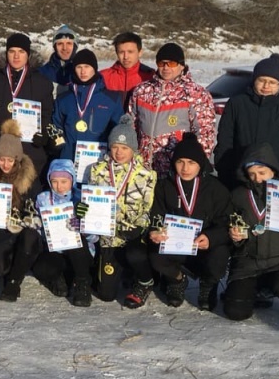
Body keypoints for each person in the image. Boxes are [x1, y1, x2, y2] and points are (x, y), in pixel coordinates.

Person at [224, 143, 279, 325]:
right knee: (235, 312)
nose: (257, 178)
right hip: (248, 262)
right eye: (252, 173)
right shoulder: (238, 195)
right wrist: (235, 237)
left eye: (262, 172)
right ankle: (256, 288)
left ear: (273, 170)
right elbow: (231, 226)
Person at [148, 133, 233, 310]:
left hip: (203, 247)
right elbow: (156, 214)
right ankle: (177, 280)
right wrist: (155, 231)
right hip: (175, 246)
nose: (185, 168)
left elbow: (226, 222)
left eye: (191, 163)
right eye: (180, 162)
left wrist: (210, 237)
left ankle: (208, 284)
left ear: (200, 164)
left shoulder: (216, 188)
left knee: (221, 253)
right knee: (154, 252)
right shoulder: (164, 186)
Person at [86, 115, 158, 308]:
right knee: (106, 295)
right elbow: (89, 200)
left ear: (133, 149)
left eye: (124, 148)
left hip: (133, 235)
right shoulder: (97, 170)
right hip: (108, 236)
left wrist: (140, 227)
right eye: (115, 147)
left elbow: (148, 207)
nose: (119, 153)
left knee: (135, 254)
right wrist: (83, 209)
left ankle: (144, 280)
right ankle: (116, 271)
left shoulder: (146, 174)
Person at [214, 53, 279, 189]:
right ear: (254, 80)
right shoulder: (237, 104)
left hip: (278, 182)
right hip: (241, 179)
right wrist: (225, 173)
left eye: (272, 82)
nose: (266, 86)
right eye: (262, 80)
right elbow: (225, 141)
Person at [0, 120, 41, 302]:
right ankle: (0, 263)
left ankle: (14, 281)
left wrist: (25, 221)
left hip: (19, 232)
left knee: (31, 237)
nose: (5, 164)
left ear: (17, 159)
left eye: (10, 160)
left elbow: (37, 211)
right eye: (1, 159)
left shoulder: (29, 179)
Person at [128, 43, 216, 176]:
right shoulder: (142, 90)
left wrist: (195, 165)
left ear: (182, 65)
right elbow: (131, 126)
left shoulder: (196, 94)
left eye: (172, 63)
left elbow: (205, 134)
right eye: (162, 63)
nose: (166, 67)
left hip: (176, 170)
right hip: (142, 168)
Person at [0, 34, 55, 177]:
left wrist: (43, 135)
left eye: (21, 52)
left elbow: (47, 115)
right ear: (6, 54)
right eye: (12, 52)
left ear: (28, 55)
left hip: (30, 155)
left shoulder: (42, 83)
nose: (16, 56)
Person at [30, 159, 95, 306]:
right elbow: (38, 229)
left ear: (71, 180)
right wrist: (38, 225)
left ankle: (82, 284)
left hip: (81, 252)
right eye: (54, 181)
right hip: (55, 250)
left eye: (64, 181)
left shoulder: (82, 198)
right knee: (41, 268)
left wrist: (84, 227)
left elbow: (95, 237)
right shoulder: (43, 199)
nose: (59, 187)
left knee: (75, 240)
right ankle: (58, 278)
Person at [53, 48, 123, 166]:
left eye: (87, 66)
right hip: (68, 159)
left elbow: (119, 129)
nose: (83, 71)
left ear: (94, 69)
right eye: (79, 67)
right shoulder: (64, 99)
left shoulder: (111, 99)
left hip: (98, 160)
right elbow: (56, 125)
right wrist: (57, 144)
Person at [99, 32, 155, 105]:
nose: (126, 57)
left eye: (130, 52)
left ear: (140, 52)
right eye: (121, 52)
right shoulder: (102, 77)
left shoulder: (151, 77)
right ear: (116, 53)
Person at [39, 25, 78, 97]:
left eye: (69, 43)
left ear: (75, 47)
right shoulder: (42, 73)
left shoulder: (83, 72)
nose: (64, 48)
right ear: (55, 47)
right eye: (60, 44)